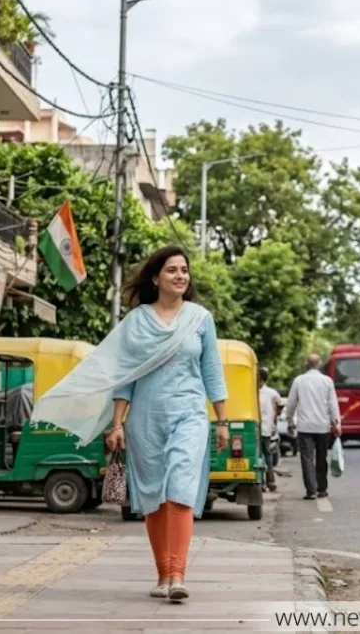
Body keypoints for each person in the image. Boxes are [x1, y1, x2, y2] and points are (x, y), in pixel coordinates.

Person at [30, 246, 228, 602]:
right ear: (156, 277)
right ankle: (163, 575)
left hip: (190, 415)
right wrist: (117, 423)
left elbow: (212, 371)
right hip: (146, 420)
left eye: (184, 270)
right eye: (172, 270)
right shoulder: (136, 321)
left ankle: (178, 575)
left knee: (180, 488)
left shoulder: (201, 319)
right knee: (153, 496)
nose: (180, 276)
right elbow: (125, 377)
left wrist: (223, 420)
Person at [285, 354, 340, 500]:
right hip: (322, 426)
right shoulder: (327, 381)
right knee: (322, 457)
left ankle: (311, 490)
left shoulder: (299, 380)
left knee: (307, 458)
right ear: (320, 364)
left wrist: (290, 420)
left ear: (306, 363)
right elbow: (332, 404)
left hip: (305, 427)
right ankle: (322, 489)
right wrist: (336, 423)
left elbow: (291, 403)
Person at [258, 367, 281, 493]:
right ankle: (267, 482)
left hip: (264, 429)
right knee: (265, 456)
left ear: (261, 379)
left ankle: (267, 482)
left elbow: (280, 405)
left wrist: (275, 416)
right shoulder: (272, 393)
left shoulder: (269, 393)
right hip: (261, 429)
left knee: (265, 456)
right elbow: (280, 404)